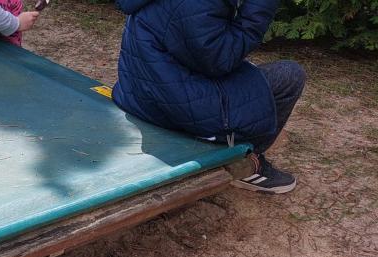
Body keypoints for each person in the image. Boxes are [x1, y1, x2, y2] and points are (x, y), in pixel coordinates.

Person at [112, 0, 306, 193]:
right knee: (289, 76)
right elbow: (221, 59)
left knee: (250, 74)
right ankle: (244, 160)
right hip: (170, 109)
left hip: (137, 94)